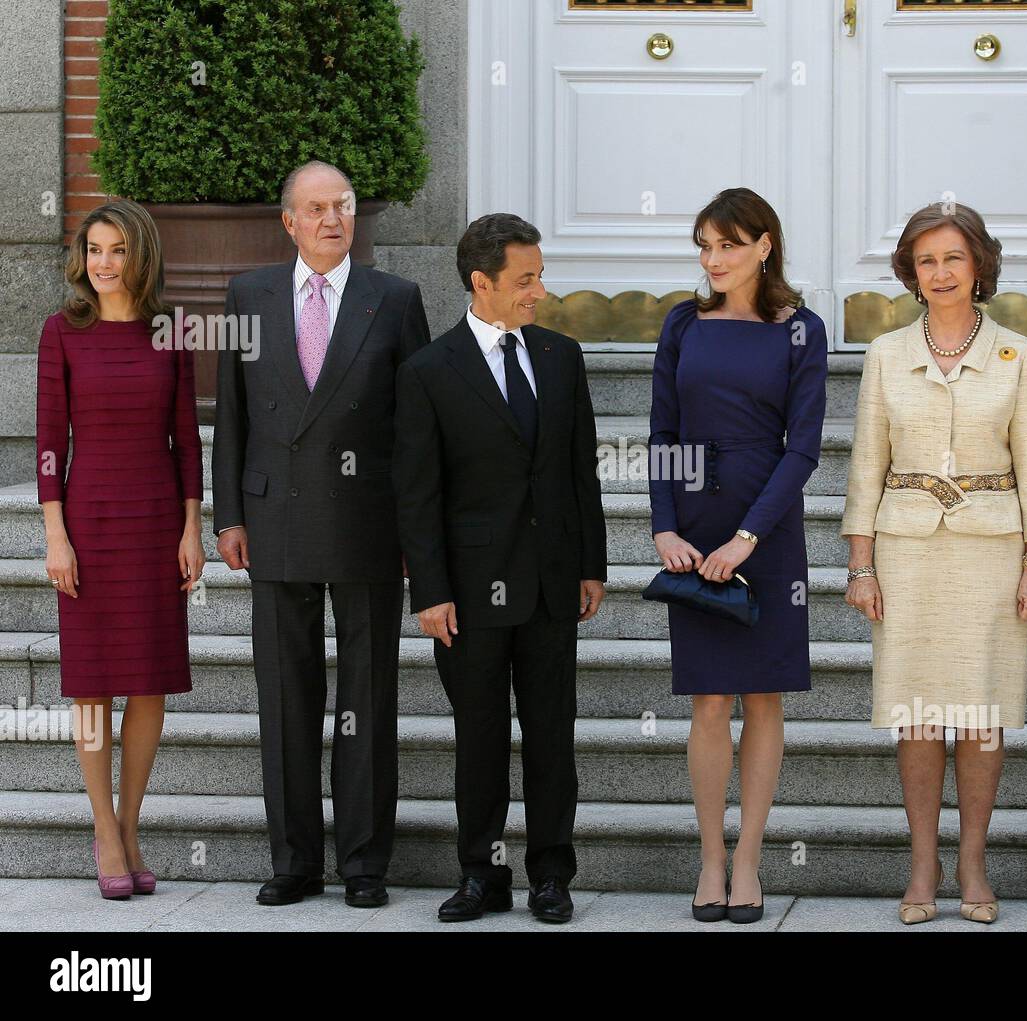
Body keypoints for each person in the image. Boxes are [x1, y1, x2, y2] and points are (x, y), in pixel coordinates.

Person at [212, 160, 431, 908]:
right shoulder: (248, 294)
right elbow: (232, 415)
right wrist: (228, 515)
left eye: (342, 205)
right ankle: (295, 862)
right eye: (316, 208)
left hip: (368, 522)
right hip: (272, 520)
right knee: (286, 697)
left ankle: (365, 864)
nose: (332, 218)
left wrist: (415, 527)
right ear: (289, 222)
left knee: (367, 699)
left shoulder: (395, 300)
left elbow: (416, 429)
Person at [841, 201, 1027, 925]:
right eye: (927, 260)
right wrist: (861, 564)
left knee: (982, 715)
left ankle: (972, 859)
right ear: (911, 269)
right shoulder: (884, 354)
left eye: (954, 258)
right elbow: (866, 464)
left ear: (980, 267)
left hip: (992, 554)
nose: (940, 272)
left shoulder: (1018, 356)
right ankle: (922, 866)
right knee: (916, 714)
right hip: (905, 553)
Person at [393, 212, 607, 924]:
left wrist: (591, 565)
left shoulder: (560, 356)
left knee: (552, 736)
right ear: (481, 283)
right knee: (479, 740)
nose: (539, 291)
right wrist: (429, 590)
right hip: (469, 596)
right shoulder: (428, 370)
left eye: (540, 275)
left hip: (551, 584)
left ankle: (551, 873)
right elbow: (417, 493)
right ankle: (481, 874)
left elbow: (582, 472)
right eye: (526, 278)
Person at [649, 187, 828, 924]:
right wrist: (664, 526)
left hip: (768, 527)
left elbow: (805, 448)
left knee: (762, 696)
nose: (713, 258)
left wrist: (748, 537)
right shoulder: (683, 323)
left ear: (764, 245)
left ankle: (750, 857)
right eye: (704, 244)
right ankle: (711, 859)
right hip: (692, 524)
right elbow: (661, 435)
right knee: (708, 699)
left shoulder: (801, 329)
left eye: (727, 243)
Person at [36, 199, 204, 899]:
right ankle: (104, 830)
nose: (102, 263)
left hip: (156, 519)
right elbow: (50, 444)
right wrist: (55, 534)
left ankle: (129, 824)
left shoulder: (173, 330)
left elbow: (187, 439)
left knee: (149, 679)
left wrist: (192, 525)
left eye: (116, 250)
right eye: (93, 250)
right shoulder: (61, 332)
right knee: (93, 682)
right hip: (89, 523)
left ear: (140, 256)